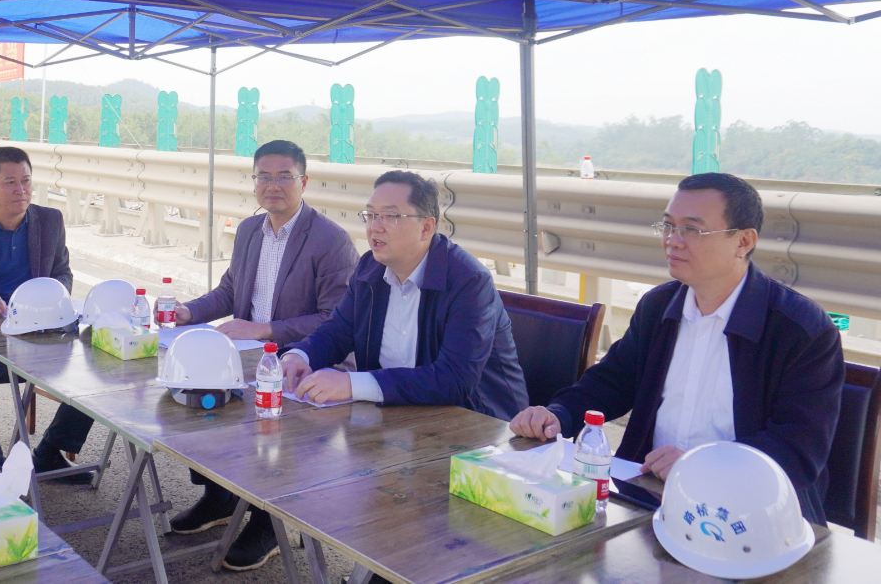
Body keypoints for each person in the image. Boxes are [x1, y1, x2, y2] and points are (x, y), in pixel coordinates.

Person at [509, 173, 844, 523]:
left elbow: (797, 451)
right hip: (649, 494)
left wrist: (700, 465)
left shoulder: (800, 330)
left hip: (754, 515)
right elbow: (611, 382)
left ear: (743, 241)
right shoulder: (658, 307)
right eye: (668, 226)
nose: (672, 241)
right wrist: (558, 416)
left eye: (692, 230)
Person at [169, 140, 359, 572]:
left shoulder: (331, 240)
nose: (273, 186)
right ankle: (219, 495)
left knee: (267, 427)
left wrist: (264, 329)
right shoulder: (250, 230)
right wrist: (189, 313)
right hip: (249, 353)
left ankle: (267, 521)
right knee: (192, 397)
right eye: (264, 177)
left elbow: (335, 320)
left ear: (304, 181)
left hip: (304, 359)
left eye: (284, 176)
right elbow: (231, 291)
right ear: (254, 182)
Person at [282, 170, 528, 415]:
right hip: (397, 414)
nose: (375, 227)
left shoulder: (468, 281)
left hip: (479, 421)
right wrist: (300, 355)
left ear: (426, 228)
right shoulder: (370, 268)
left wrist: (351, 384)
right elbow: (337, 332)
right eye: (371, 215)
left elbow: (454, 379)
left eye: (390, 216)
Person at [0, 146, 88, 480]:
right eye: (9, 182)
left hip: (40, 332)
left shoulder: (50, 221)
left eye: (26, 180)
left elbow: (63, 274)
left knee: (98, 370)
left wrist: (49, 299)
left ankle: (49, 452)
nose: (20, 190)